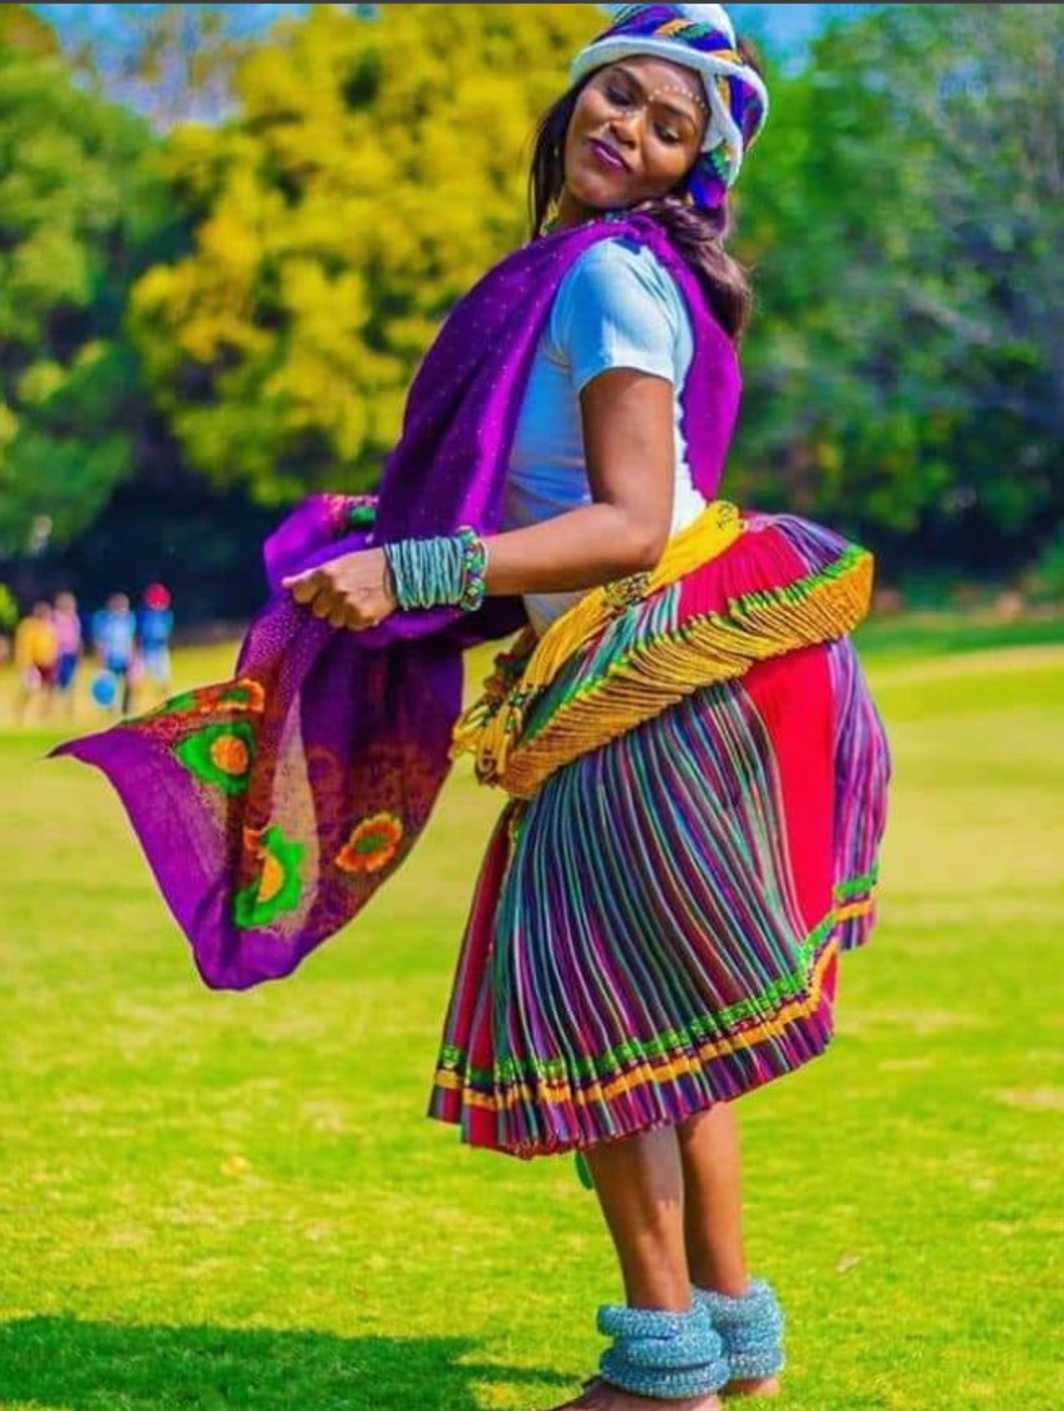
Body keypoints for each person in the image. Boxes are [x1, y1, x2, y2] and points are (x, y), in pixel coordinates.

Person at [51, 8, 890, 1408]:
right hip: (668, 664)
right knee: (678, 1032)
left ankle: (663, 1360)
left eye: (668, 126)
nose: (628, 124)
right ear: (570, 106)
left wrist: (415, 565)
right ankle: (735, 1338)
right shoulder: (583, 272)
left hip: (650, 667)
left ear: (693, 171)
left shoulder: (607, 281)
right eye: (616, 96)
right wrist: (391, 542)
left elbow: (625, 522)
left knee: (595, 1009)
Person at [91, 592, 136, 716]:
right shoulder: (105, 620)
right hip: (110, 658)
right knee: (111, 685)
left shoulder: (128, 620)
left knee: (129, 682)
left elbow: (131, 639)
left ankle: (125, 708)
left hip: (124, 657)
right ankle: (111, 709)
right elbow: (99, 640)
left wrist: (132, 655)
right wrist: (100, 656)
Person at [13, 600, 58, 723]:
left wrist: (53, 659)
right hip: (33, 664)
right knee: (30, 689)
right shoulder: (28, 626)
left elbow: (52, 645)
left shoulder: (48, 627)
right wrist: (26, 664)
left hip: (47, 663)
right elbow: (24, 646)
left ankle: (45, 713)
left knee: (50, 689)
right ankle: (20, 712)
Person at [137, 582, 175, 701]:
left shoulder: (166, 614)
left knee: (164, 677)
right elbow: (140, 633)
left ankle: (166, 699)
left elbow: (166, 632)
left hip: (160, 650)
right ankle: (136, 702)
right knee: (139, 678)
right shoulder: (144, 614)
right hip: (146, 650)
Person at [52, 591, 83, 718]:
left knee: (71, 683)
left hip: (71, 655)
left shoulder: (74, 618)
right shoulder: (55, 617)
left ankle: (69, 710)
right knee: (56, 684)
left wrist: (78, 652)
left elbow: (77, 637)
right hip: (59, 655)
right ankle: (53, 710)